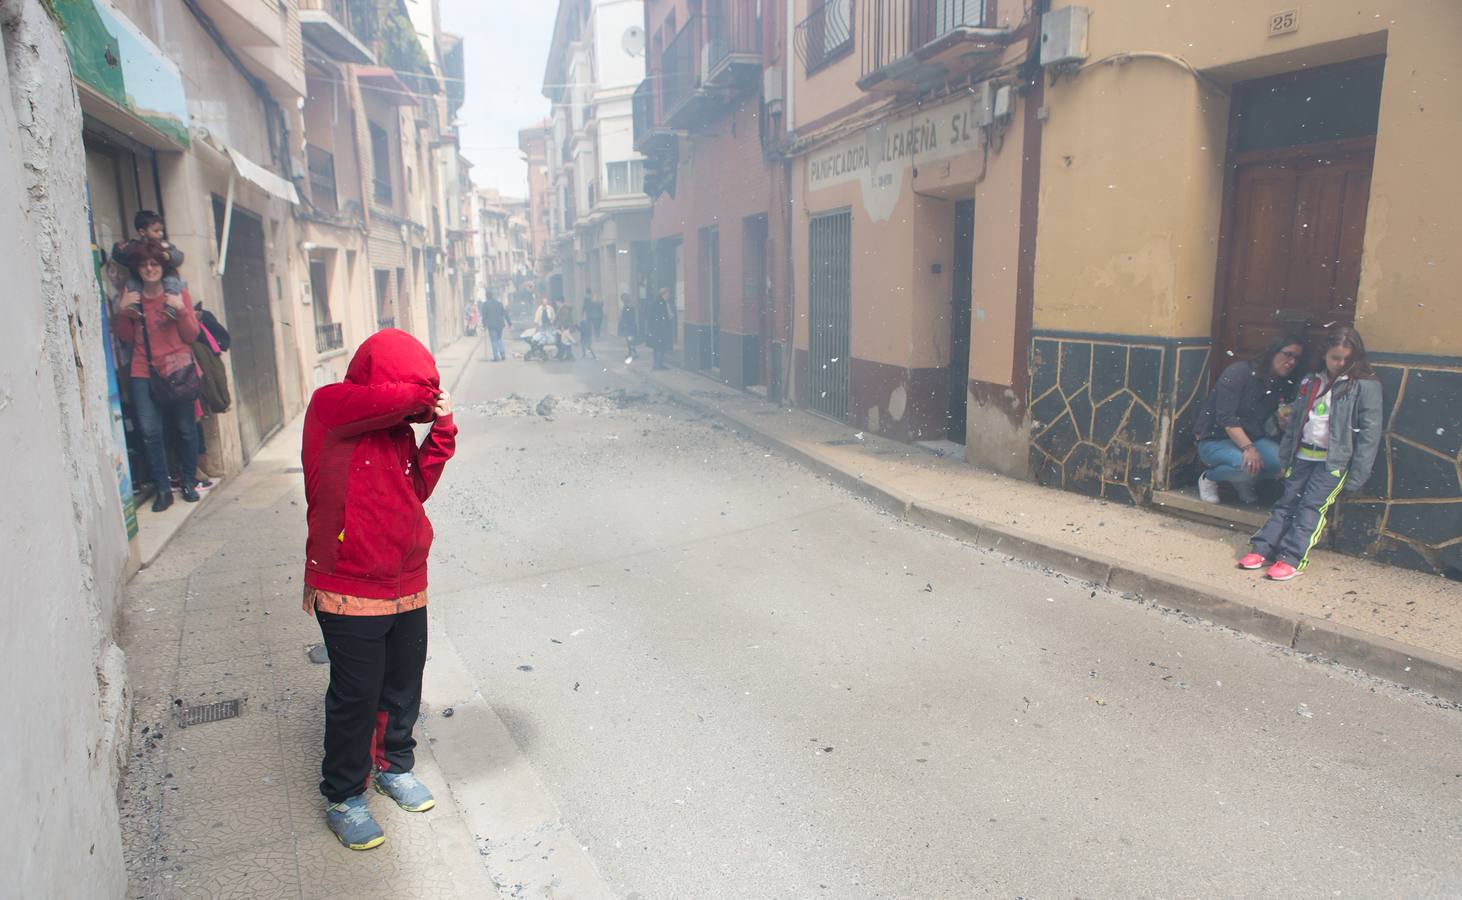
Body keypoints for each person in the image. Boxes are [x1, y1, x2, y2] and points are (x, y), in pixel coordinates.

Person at [300, 329, 456, 851]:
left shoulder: (393, 431)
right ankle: (344, 795)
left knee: (401, 687)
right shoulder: (333, 407)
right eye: (408, 385)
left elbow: (417, 489)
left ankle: (394, 767)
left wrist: (442, 426)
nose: (412, 401)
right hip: (349, 584)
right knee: (356, 696)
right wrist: (425, 395)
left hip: (407, 581)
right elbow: (397, 398)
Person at [1240, 326, 1383, 581]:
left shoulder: (1364, 386)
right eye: (1335, 358)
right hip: (1303, 456)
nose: (1340, 364)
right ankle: (1262, 549)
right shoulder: (1311, 381)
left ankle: (1292, 558)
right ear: (1325, 355)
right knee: (1286, 503)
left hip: (1332, 462)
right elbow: (1296, 422)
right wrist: (1286, 457)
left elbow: (1370, 434)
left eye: (1347, 360)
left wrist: (1358, 472)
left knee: (1311, 508)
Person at [111, 242, 202, 512]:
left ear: (162, 267)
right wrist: (123, 312)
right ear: (138, 270)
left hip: (177, 368)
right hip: (143, 371)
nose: (150, 269)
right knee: (151, 432)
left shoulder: (177, 292)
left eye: (154, 264)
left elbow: (191, 335)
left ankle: (188, 482)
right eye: (144, 265)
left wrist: (181, 309)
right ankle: (163, 489)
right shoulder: (132, 295)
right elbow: (125, 336)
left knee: (186, 430)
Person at [1193, 334, 1305, 505]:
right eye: (1287, 354)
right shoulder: (1239, 372)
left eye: (1297, 358)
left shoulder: (1281, 383)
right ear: (1273, 352)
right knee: (1244, 466)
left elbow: (1268, 419)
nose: (1291, 362)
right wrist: (1248, 448)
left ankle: (1243, 479)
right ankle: (1210, 478)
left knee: (1282, 465)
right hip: (1215, 439)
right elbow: (1226, 418)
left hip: (1254, 437)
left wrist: (1280, 422)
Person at [114, 210, 185, 298]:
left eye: (161, 230)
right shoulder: (135, 245)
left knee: (172, 282)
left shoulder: (164, 245)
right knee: (131, 285)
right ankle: (134, 307)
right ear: (142, 232)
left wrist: (169, 256)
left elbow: (179, 256)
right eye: (156, 231)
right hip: (140, 278)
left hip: (165, 275)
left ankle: (171, 306)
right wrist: (118, 248)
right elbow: (121, 255)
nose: (161, 234)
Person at [646, 287, 676, 371]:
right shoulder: (659, 303)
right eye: (667, 294)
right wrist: (659, 325)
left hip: (660, 328)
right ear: (663, 294)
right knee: (659, 347)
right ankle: (658, 365)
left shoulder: (663, 302)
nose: (669, 295)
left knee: (658, 347)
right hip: (659, 329)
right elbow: (655, 316)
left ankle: (658, 365)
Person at [481, 293, 510, 362]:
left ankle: (496, 357)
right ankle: (502, 353)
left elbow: (484, 316)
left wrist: (484, 325)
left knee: (494, 340)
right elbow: (505, 314)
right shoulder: (499, 303)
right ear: (492, 296)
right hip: (500, 325)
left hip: (492, 325)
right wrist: (509, 323)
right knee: (499, 339)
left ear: (486, 297)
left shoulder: (485, 304)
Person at [617, 292, 639, 364]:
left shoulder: (629, 306)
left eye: (623, 299)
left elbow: (628, 317)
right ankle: (631, 353)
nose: (622, 300)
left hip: (629, 326)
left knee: (630, 341)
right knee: (629, 341)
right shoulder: (628, 306)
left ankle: (634, 354)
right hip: (629, 326)